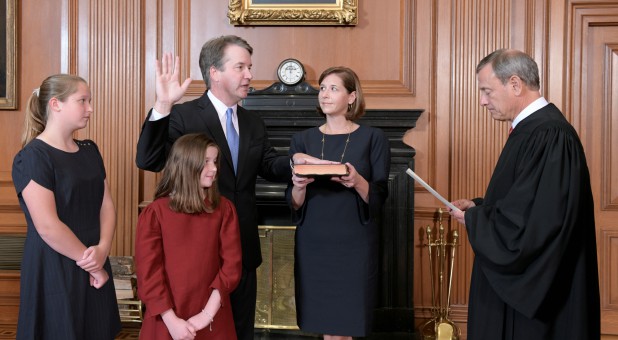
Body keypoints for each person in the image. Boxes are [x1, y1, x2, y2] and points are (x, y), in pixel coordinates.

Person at [135, 35, 293, 340]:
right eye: (241, 67)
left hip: (241, 252)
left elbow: (270, 166)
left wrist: (299, 164)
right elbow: (149, 159)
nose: (249, 75)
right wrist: (164, 103)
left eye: (250, 66)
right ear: (215, 73)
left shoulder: (253, 122)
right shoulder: (183, 115)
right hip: (197, 259)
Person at [448, 49, 600, 339]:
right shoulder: (534, 131)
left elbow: (537, 223)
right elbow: (524, 200)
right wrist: (479, 207)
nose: (482, 101)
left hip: (542, 299)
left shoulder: (550, 135)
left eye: (487, 91)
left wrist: (476, 220)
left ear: (515, 84)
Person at [11, 74, 121, 339]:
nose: (90, 108)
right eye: (82, 101)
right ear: (55, 105)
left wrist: (103, 249)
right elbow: (47, 227)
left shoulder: (90, 150)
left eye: (89, 101)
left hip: (94, 257)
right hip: (54, 264)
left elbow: (106, 205)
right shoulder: (32, 157)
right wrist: (93, 264)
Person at [287, 67, 390, 339]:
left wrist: (356, 180)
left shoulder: (373, 138)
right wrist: (298, 186)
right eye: (322, 88)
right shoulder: (302, 140)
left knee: (346, 325)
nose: (325, 94)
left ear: (352, 97)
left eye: (333, 88)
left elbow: (380, 195)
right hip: (314, 242)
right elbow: (295, 204)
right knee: (325, 326)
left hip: (353, 242)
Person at [135, 133, 242, 340]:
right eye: (206, 162)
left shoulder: (224, 210)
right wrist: (171, 321)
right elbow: (149, 275)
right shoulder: (155, 213)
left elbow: (231, 268)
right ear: (186, 165)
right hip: (165, 317)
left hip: (213, 317)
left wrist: (206, 315)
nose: (214, 168)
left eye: (215, 161)